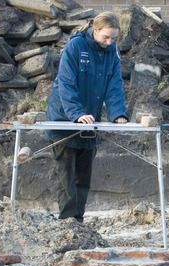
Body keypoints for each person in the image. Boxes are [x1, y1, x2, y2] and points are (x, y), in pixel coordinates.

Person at [45, 12, 128, 222]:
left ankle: (78, 221)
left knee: (83, 176)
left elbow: (114, 85)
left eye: (114, 39)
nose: (109, 43)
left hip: (90, 121)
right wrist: (77, 114)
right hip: (64, 118)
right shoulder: (75, 47)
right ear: (95, 30)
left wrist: (117, 113)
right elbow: (66, 83)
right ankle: (66, 222)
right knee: (66, 177)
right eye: (106, 37)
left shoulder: (111, 52)